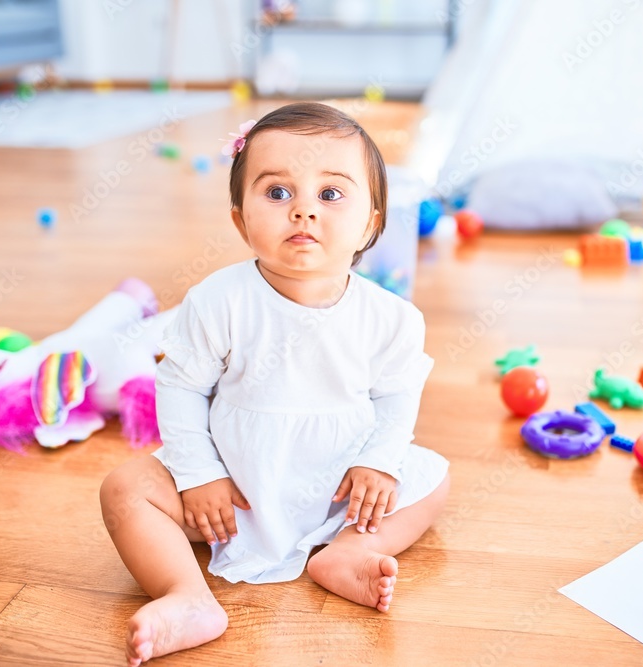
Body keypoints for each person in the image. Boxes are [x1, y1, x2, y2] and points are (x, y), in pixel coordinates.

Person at [100, 102, 451, 666]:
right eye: (278, 193)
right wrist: (199, 475)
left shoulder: (392, 318)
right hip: (232, 492)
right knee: (124, 489)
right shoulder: (218, 301)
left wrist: (380, 462)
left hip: (342, 487)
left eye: (330, 195)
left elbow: (395, 396)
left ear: (372, 222)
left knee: (431, 480)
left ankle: (347, 551)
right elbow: (182, 386)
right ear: (240, 218)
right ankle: (186, 596)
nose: (304, 212)